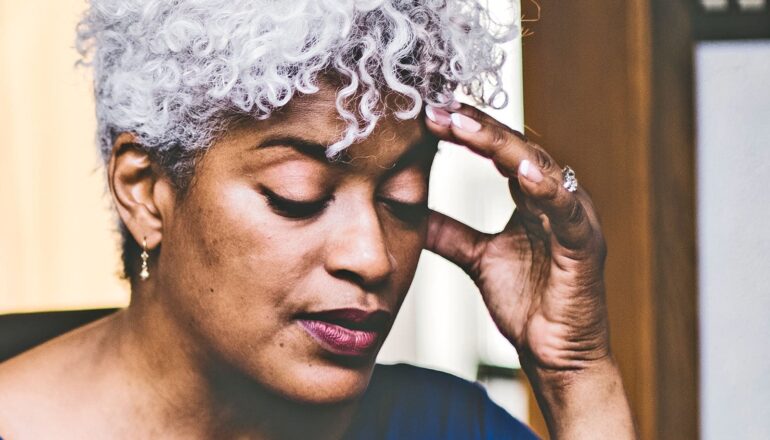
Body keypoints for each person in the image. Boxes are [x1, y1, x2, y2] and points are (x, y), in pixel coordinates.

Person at [0, 0, 636, 438]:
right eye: (296, 194)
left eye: (404, 197)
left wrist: (578, 373)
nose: (373, 256)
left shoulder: (446, 428)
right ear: (145, 190)